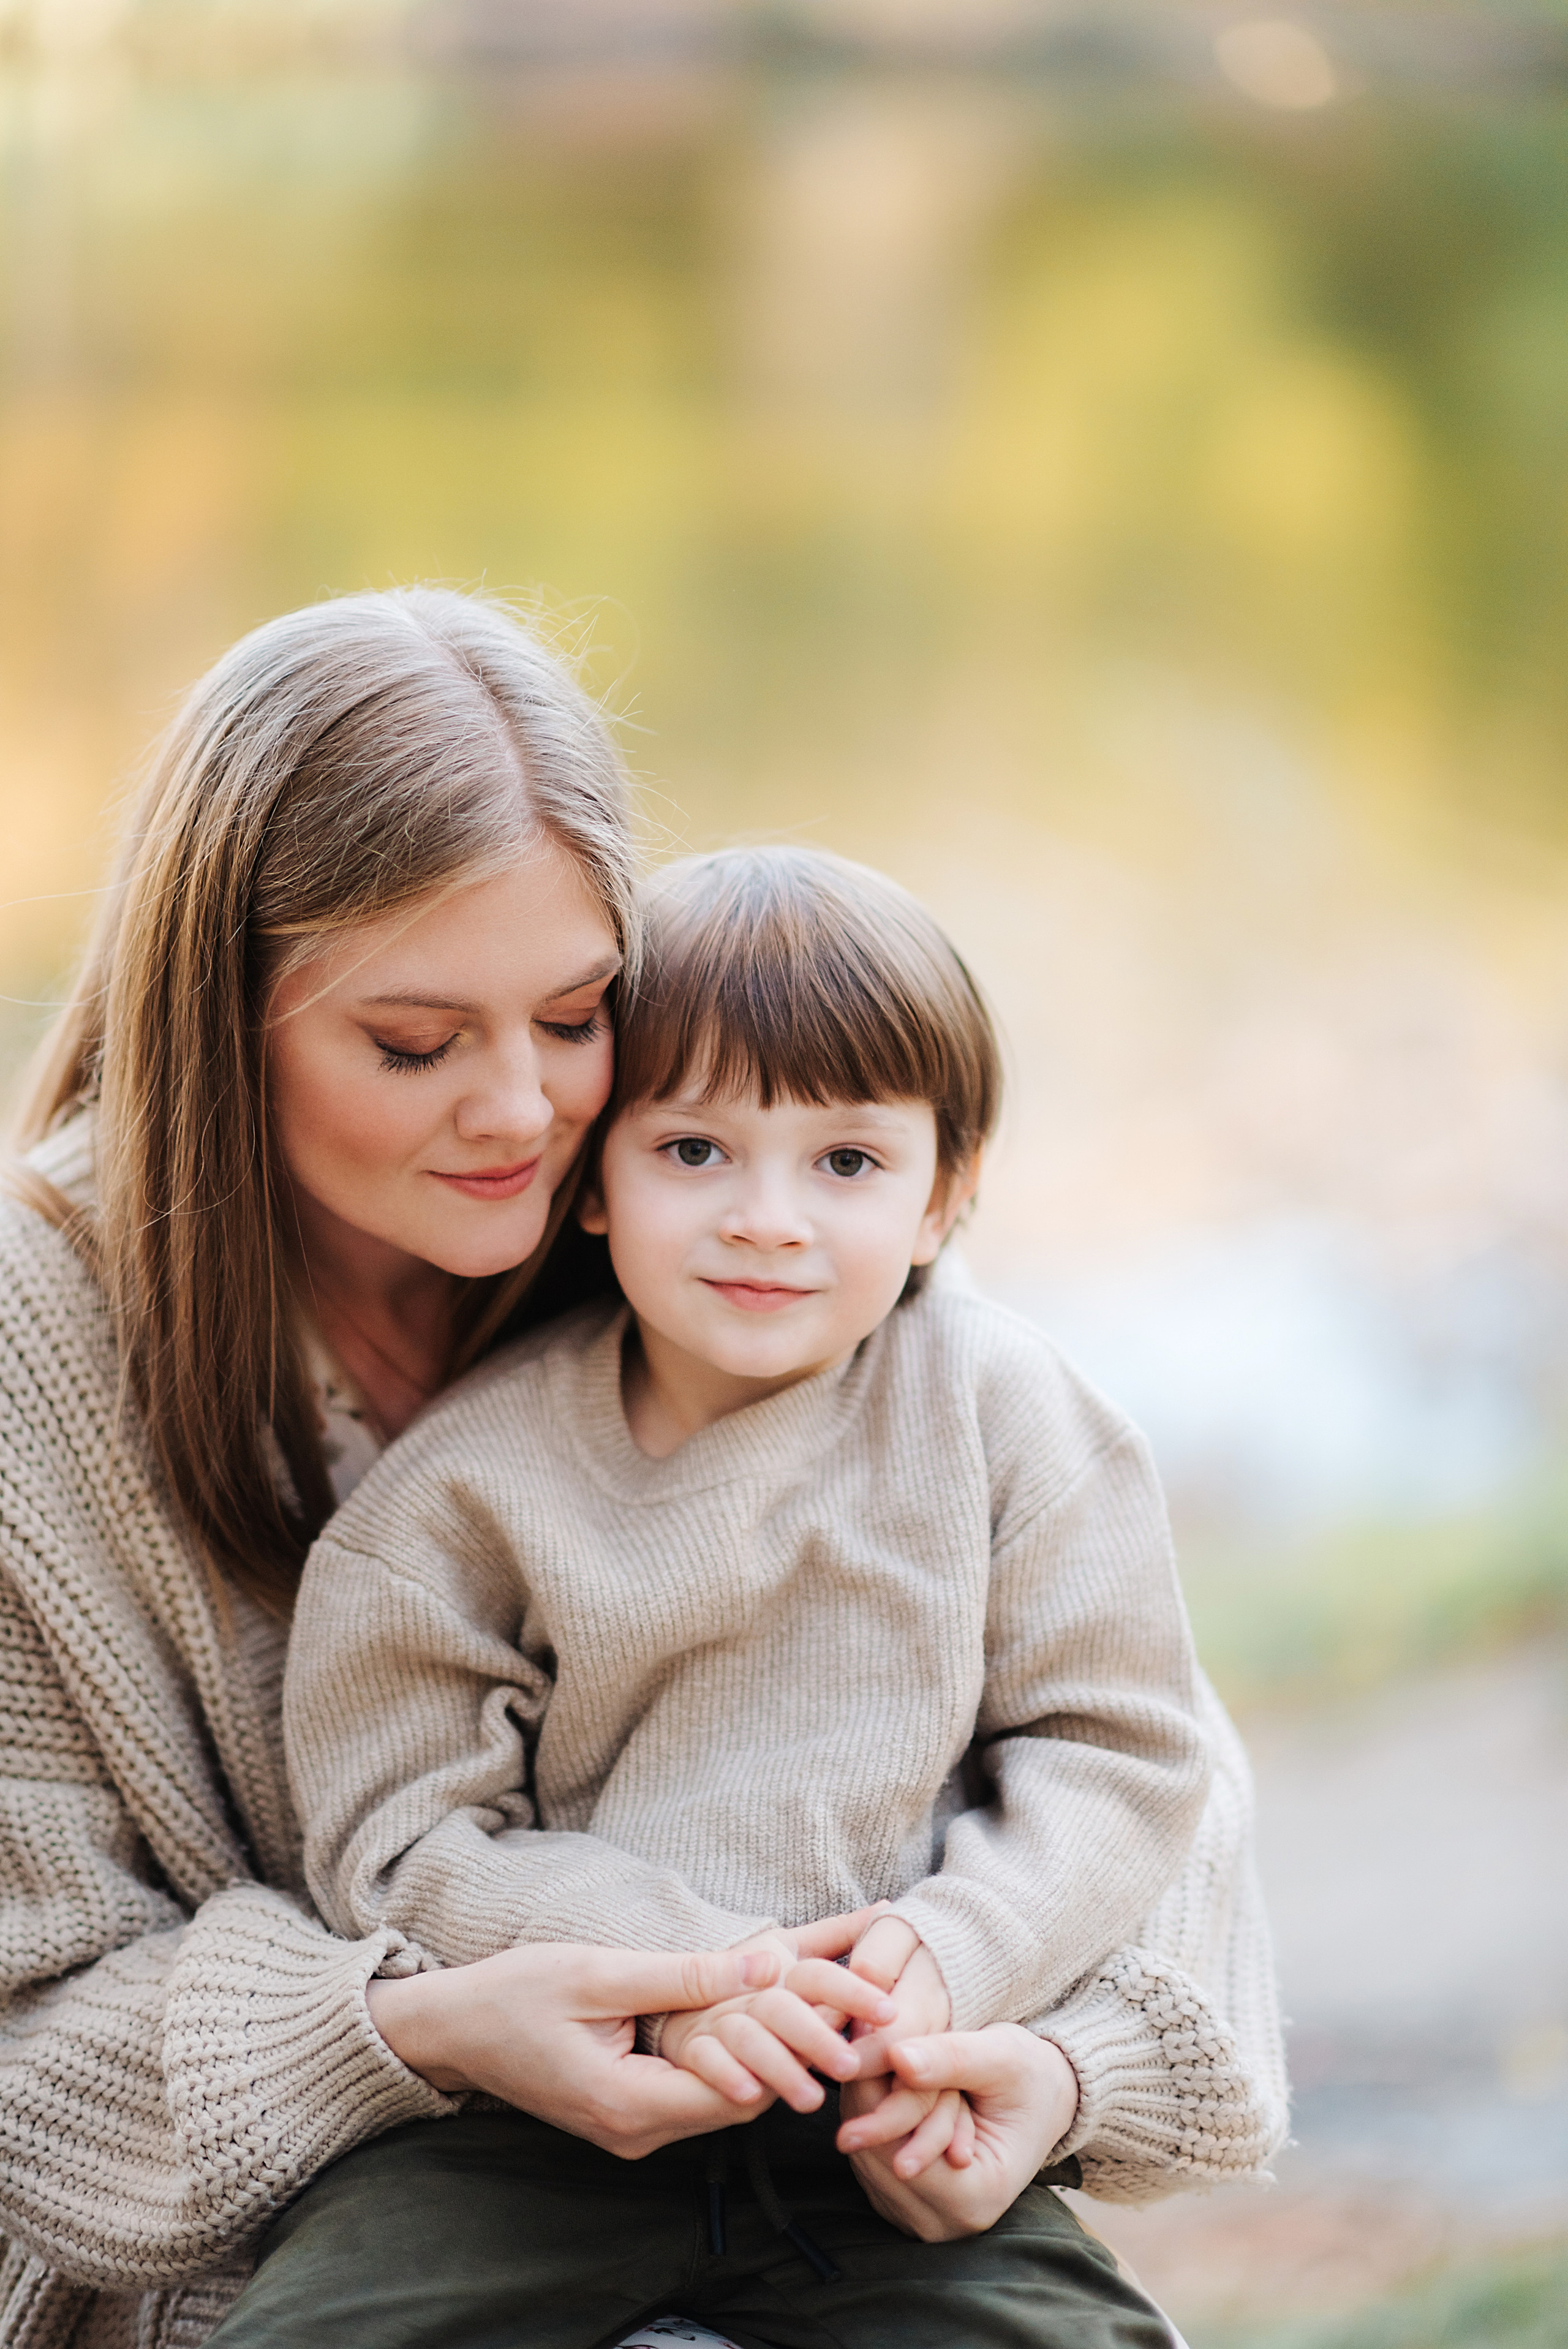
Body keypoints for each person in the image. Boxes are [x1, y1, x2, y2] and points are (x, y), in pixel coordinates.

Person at [0, 588, 1283, 2349]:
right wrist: (419, 2028)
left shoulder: (735, 1216)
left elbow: (1135, 1742)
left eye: (578, 1012)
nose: (527, 1110)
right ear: (221, 1021)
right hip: (304, 2244)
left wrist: (1057, 2062)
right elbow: (23, 2036)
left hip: (851, 2155)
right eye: (412, 1041)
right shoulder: (34, 1352)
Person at [219, 845, 1262, 2348]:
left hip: (885, 2116)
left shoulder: (1007, 1416)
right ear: (593, 1182)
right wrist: (674, 1978)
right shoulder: (464, 1491)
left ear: (940, 1197)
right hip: (537, 2133)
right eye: (694, 1151)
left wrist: (958, 1948)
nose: (766, 1218)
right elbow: (400, 1830)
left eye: (844, 1162)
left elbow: (1119, 1749)